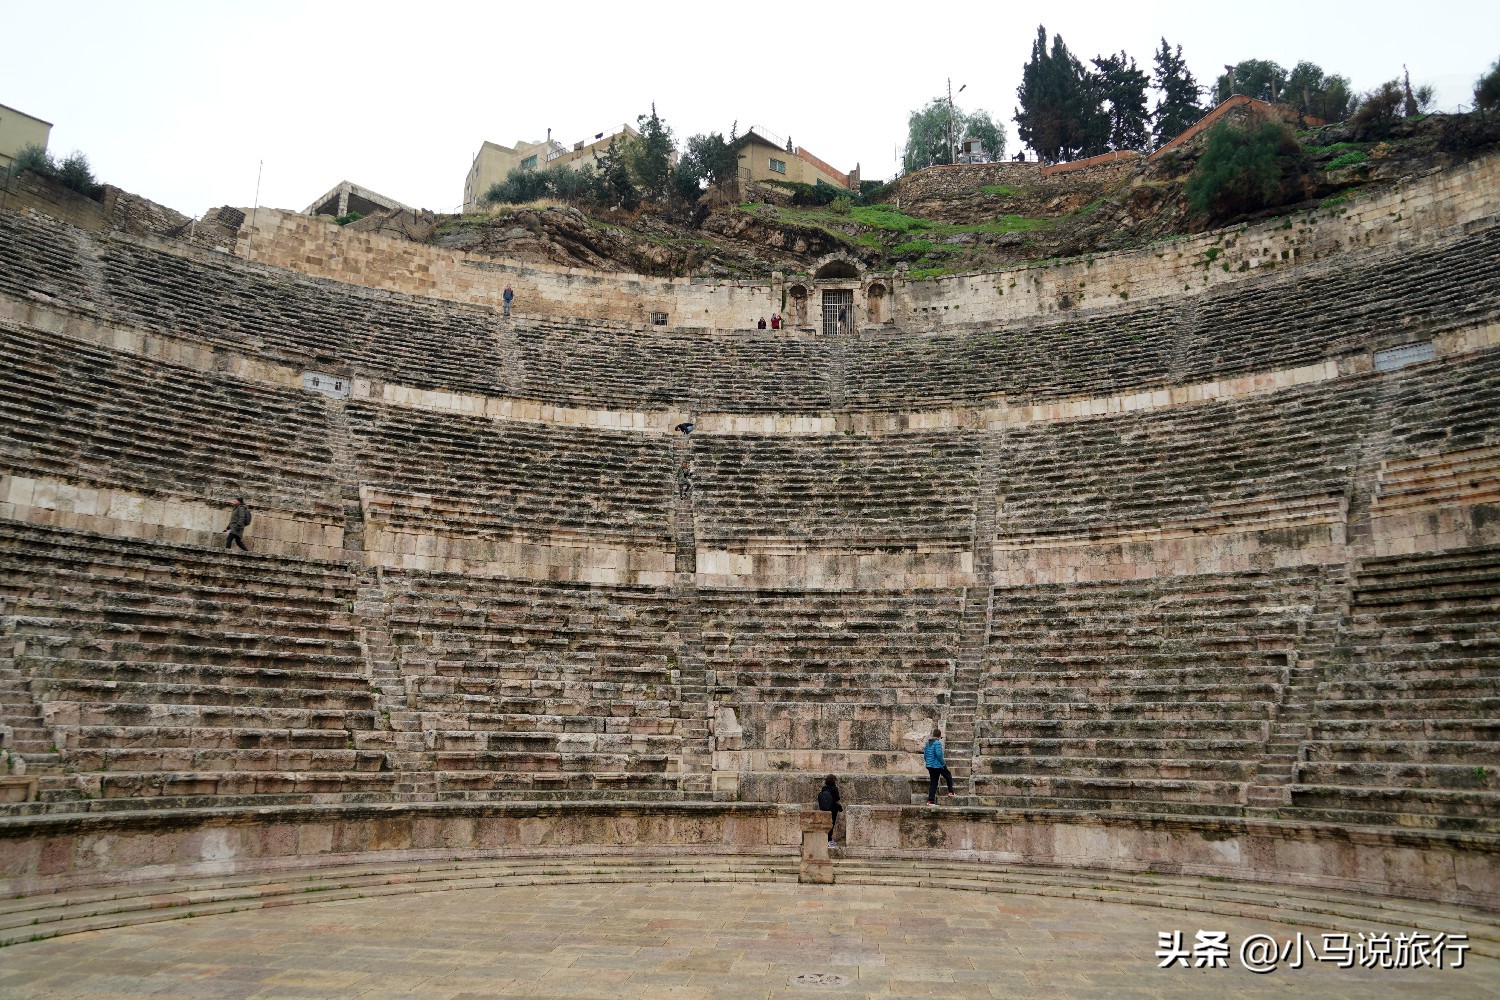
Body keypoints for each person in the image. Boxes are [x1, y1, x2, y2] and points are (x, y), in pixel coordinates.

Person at [924, 727, 954, 805]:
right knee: (948, 775)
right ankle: (950, 792)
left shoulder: (927, 743)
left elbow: (925, 755)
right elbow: (938, 754)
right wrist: (943, 763)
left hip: (930, 766)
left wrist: (928, 763)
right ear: (939, 736)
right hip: (937, 765)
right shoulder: (937, 743)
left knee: (933, 782)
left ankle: (930, 800)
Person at [817, 774, 843, 846]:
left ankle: (825, 838)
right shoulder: (834, 788)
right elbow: (837, 798)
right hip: (833, 809)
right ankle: (829, 839)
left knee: (825, 824)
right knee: (832, 824)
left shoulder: (824, 788)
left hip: (825, 809)